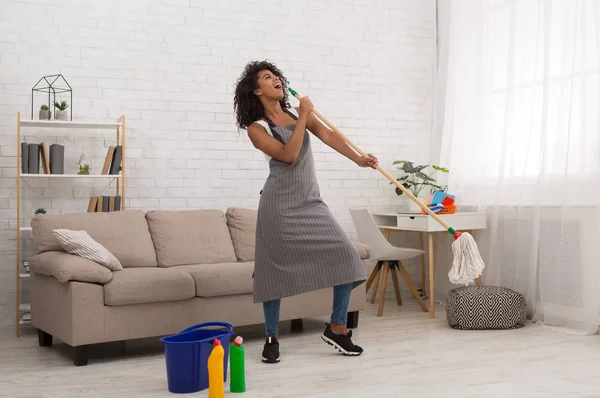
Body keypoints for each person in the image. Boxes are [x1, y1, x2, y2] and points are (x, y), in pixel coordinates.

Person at [233, 60, 378, 364]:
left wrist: (357, 159)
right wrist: (303, 117)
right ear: (257, 90)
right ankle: (271, 337)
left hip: (310, 201)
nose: (275, 80)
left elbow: (327, 135)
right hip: (278, 207)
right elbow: (288, 155)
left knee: (347, 257)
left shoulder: (294, 115)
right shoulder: (256, 128)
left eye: (276, 76)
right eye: (267, 77)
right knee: (273, 272)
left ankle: (338, 328)